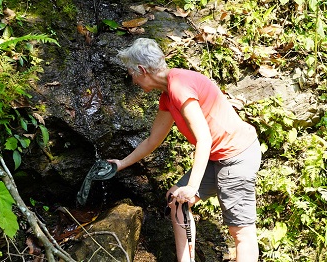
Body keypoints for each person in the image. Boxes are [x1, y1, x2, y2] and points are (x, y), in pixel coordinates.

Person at [108, 38, 261, 262]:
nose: (132, 80)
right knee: (176, 200)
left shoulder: (179, 86)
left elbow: (204, 139)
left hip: (237, 155)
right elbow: (152, 140)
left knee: (241, 231)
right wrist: (120, 164)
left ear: (142, 70)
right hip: (217, 156)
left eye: (131, 73)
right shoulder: (168, 95)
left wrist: (192, 187)